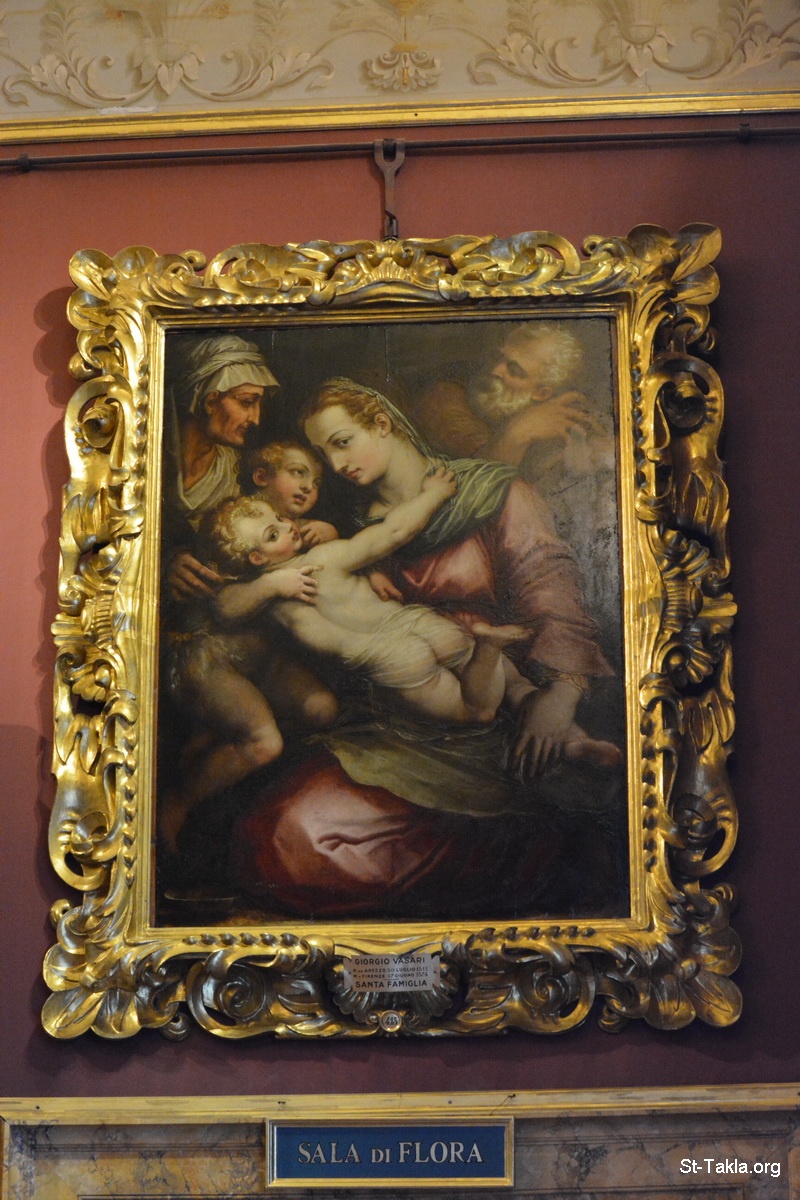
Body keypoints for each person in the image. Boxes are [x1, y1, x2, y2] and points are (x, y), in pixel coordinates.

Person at [226, 378, 624, 919]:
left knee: (569, 825)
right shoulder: (352, 527)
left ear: (382, 424)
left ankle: (533, 855)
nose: (335, 464)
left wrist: (561, 695)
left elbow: (553, 593)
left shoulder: (494, 492)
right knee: (283, 838)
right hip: (408, 724)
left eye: (342, 442)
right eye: (324, 454)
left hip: (510, 716)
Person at [242, 440, 338, 547]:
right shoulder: (243, 518)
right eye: (298, 472)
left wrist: (330, 533)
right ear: (262, 477)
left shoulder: (304, 527)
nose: (309, 487)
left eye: (316, 483)